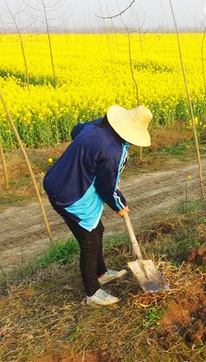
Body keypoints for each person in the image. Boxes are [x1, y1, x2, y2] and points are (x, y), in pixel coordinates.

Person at [43, 105, 153, 306]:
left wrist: (83, 156)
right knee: (89, 243)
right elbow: (106, 187)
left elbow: (75, 130)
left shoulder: (96, 126)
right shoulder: (113, 151)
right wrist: (120, 204)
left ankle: (100, 273)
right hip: (70, 194)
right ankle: (92, 292)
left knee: (97, 229)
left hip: (58, 179)